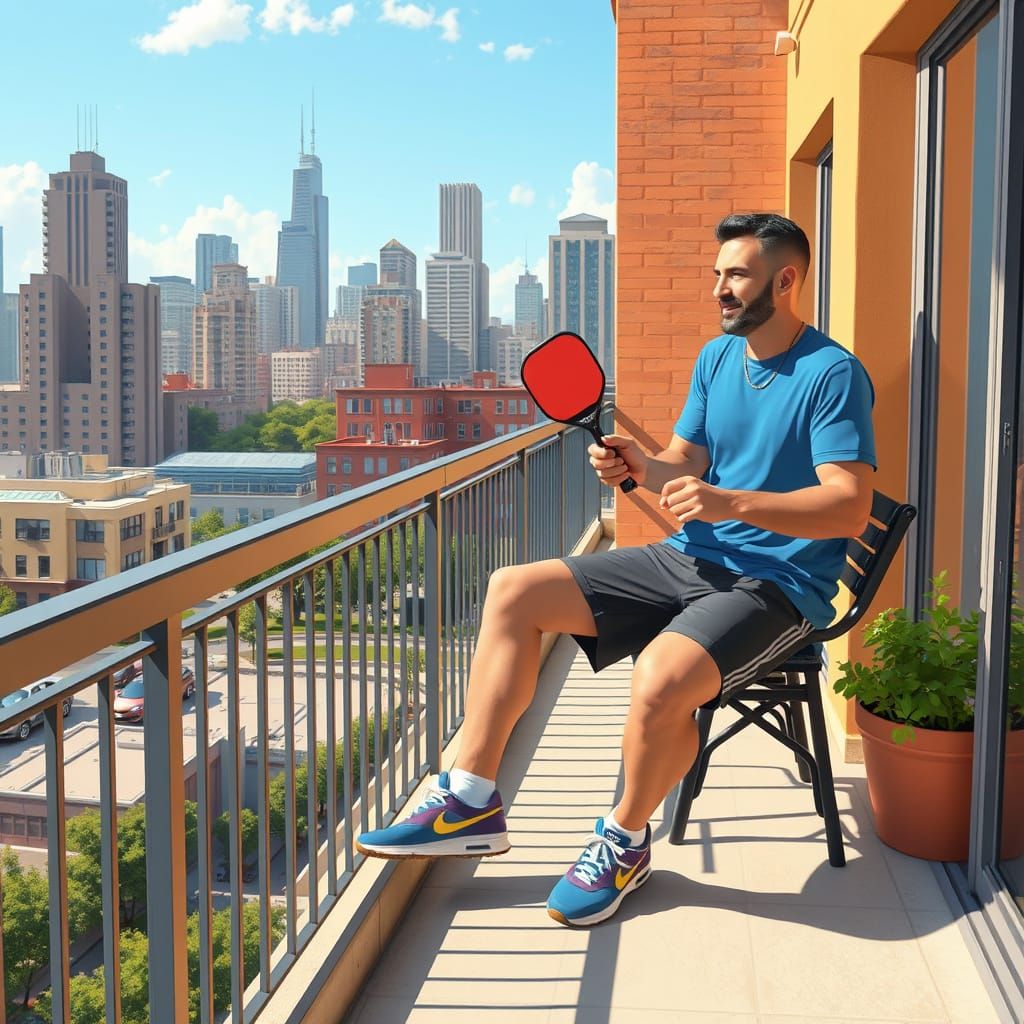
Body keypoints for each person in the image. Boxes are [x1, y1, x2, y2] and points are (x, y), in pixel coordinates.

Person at [357, 212, 877, 928]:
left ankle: (625, 843)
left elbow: (849, 508)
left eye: (737, 276)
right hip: (692, 558)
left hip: (779, 586)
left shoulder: (832, 374)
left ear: (785, 282)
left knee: (660, 679)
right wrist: (639, 466)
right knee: (515, 590)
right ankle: (470, 798)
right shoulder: (717, 358)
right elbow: (683, 463)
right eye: (717, 274)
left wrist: (731, 502)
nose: (720, 290)